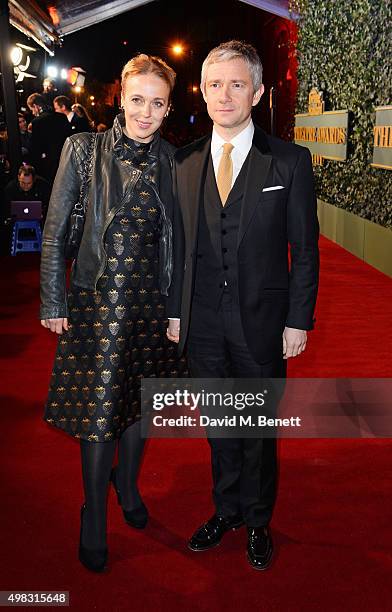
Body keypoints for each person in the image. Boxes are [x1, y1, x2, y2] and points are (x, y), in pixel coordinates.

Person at [167, 40, 319, 570]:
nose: (224, 94)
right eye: (214, 84)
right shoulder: (183, 163)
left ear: (256, 92)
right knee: (219, 425)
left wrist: (299, 319)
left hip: (263, 321)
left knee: (256, 429)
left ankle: (257, 520)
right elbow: (175, 250)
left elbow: (304, 249)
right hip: (202, 323)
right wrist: (174, 313)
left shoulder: (290, 161)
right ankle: (225, 510)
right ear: (202, 91)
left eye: (236, 84)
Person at [40, 54, 186, 573]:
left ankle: (127, 488)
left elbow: (180, 244)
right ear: (120, 97)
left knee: (138, 404)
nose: (146, 112)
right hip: (98, 303)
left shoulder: (175, 161)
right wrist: (53, 300)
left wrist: (176, 310)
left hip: (150, 304)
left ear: (168, 109)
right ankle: (94, 515)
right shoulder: (82, 150)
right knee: (99, 410)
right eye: (138, 99)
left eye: (158, 103)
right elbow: (56, 230)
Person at [27, 93, 71, 183]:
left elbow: (36, 149)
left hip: (47, 168)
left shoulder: (36, 122)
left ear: (36, 106)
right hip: (65, 162)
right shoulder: (62, 117)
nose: (32, 112)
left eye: (31, 109)